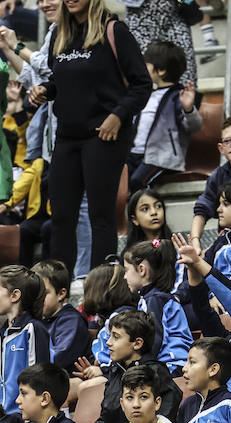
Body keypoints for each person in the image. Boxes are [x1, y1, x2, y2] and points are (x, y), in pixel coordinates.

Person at [34, 0, 152, 272]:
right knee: (61, 217)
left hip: (103, 136)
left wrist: (118, 115)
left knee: (101, 215)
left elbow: (142, 84)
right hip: (67, 136)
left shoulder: (114, 30)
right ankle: (56, 288)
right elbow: (62, 80)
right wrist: (45, 90)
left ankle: (103, 286)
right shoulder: (59, 33)